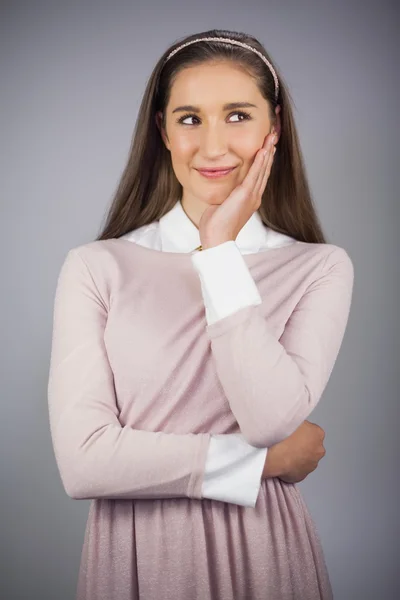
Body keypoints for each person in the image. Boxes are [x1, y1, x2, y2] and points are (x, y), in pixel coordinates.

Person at [47, 28, 354, 600]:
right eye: (190, 119)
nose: (212, 147)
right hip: (135, 553)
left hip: (263, 549)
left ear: (275, 128)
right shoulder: (96, 266)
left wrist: (217, 250)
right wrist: (262, 463)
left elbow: (267, 419)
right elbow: (84, 462)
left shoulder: (319, 267)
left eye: (238, 115)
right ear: (163, 130)